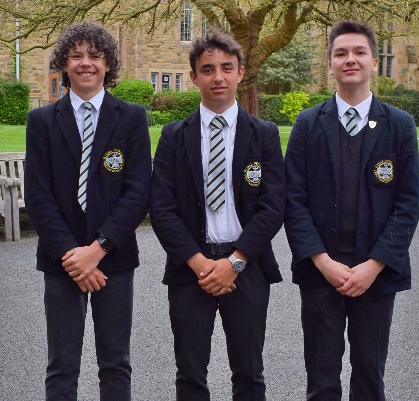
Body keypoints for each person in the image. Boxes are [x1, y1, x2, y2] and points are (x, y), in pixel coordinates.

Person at [283, 21, 419, 401]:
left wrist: (373, 265)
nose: (350, 60)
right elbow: (293, 201)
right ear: (330, 63)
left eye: (359, 52)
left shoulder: (399, 126)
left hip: (374, 275)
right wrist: (321, 261)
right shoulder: (308, 125)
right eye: (341, 53)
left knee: (369, 378)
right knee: (321, 379)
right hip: (321, 273)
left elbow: (407, 204)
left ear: (374, 62)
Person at [149, 28, 286, 401]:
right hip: (190, 269)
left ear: (240, 73)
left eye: (227, 68)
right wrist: (198, 264)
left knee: (249, 373)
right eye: (207, 69)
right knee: (190, 375)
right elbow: (161, 208)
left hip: (247, 266)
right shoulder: (174, 136)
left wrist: (236, 262)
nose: (218, 77)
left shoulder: (264, 134)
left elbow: (273, 206)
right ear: (194, 78)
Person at [24, 21, 151, 401]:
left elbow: (137, 192)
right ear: (64, 63)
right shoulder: (42, 121)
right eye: (76, 56)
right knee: (62, 365)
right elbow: (38, 195)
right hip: (62, 261)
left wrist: (97, 250)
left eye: (95, 56)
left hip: (113, 258)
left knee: (115, 363)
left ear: (108, 64)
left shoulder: (131, 117)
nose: (85, 63)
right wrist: (73, 256)